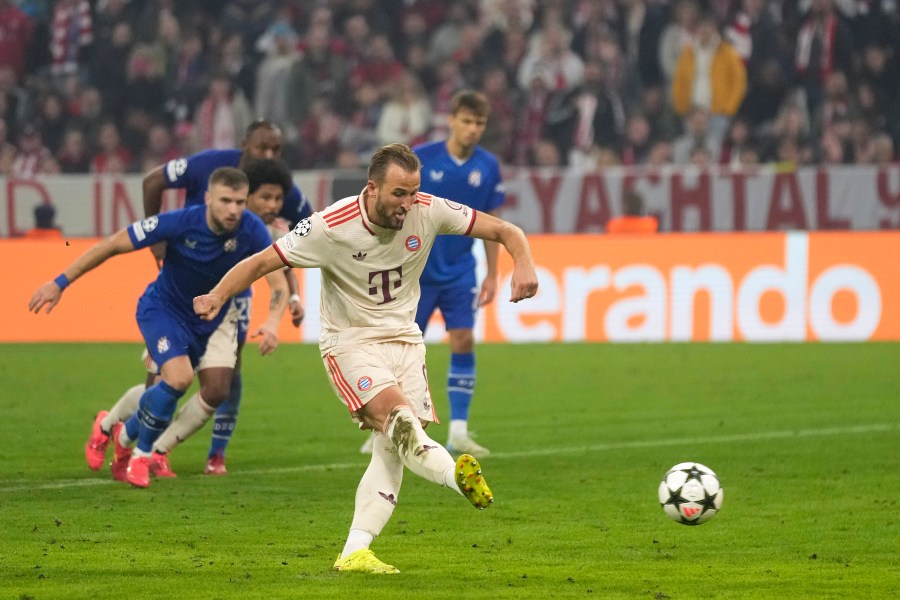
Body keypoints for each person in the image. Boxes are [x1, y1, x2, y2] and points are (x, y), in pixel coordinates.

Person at [193, 143, 539, 573]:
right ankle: (457, 477)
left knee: (392, 452)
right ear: (372, 188)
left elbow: (507, 231)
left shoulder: (429, 210)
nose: (408, 204)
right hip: (350, 342)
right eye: (399, 194)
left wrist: (522, 263)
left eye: (413, 192)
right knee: (400, 421)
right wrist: (216, 295)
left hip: (405, 343)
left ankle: (355, 551)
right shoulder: (329, 226)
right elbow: (262, 261)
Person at [29, 167, 286, 488]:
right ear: (208, 199)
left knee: (216, 388)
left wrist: (274, 321)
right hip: (165, 312)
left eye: (239, 202)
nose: (233, 209)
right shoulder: (178, 222)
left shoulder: (252, 229)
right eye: (225, 201)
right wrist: (59, 282)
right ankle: (136, 450)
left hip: (211, 317)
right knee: (175, 380)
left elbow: (278, 282)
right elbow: (112, 244)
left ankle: (126, 437)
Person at [100, 121, 310, 476]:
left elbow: (292, 242)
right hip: (180, 293)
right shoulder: (206, 166)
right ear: (245, 144)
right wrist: (156, 240)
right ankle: (110, 428)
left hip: (231, 300)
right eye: (263, 148)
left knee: (224, 382)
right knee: (166, 382)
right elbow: (153, 180)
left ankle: (182, 453)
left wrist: (290, 298)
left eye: (277, 150)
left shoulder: (276, 190)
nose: (270, 156)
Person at [374, 90, 505, 457]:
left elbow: (494, 223)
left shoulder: (489, 166)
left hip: (460, 271)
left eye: (480, 123)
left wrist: (493, 274)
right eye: (467, 121)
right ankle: (384, 422)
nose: (473, 129)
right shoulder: (422, 159)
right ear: (451, 120)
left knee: (463, 340)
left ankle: (459, 432)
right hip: (416, 272)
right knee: (400, 350)